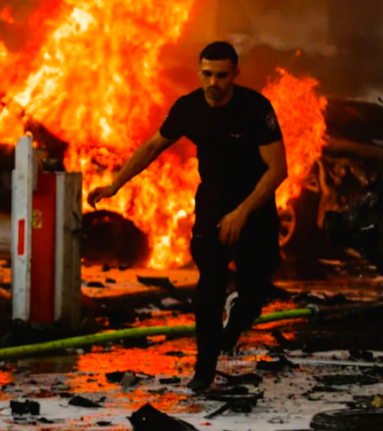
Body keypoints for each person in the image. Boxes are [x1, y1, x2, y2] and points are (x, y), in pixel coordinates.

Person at [88, 41, 288, 392]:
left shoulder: (255, 109)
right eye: (207, 74)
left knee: (256, 290)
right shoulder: (189, 107)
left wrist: (242, 212)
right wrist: (115, 185)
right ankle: (204, 370)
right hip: (212, 202)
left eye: (222, 75)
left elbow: (277, 170)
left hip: (254, 206)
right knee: (208, 288)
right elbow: (152, 146)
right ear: (200, 72)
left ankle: (240, 312)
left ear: (235, 74)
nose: (214, 82)